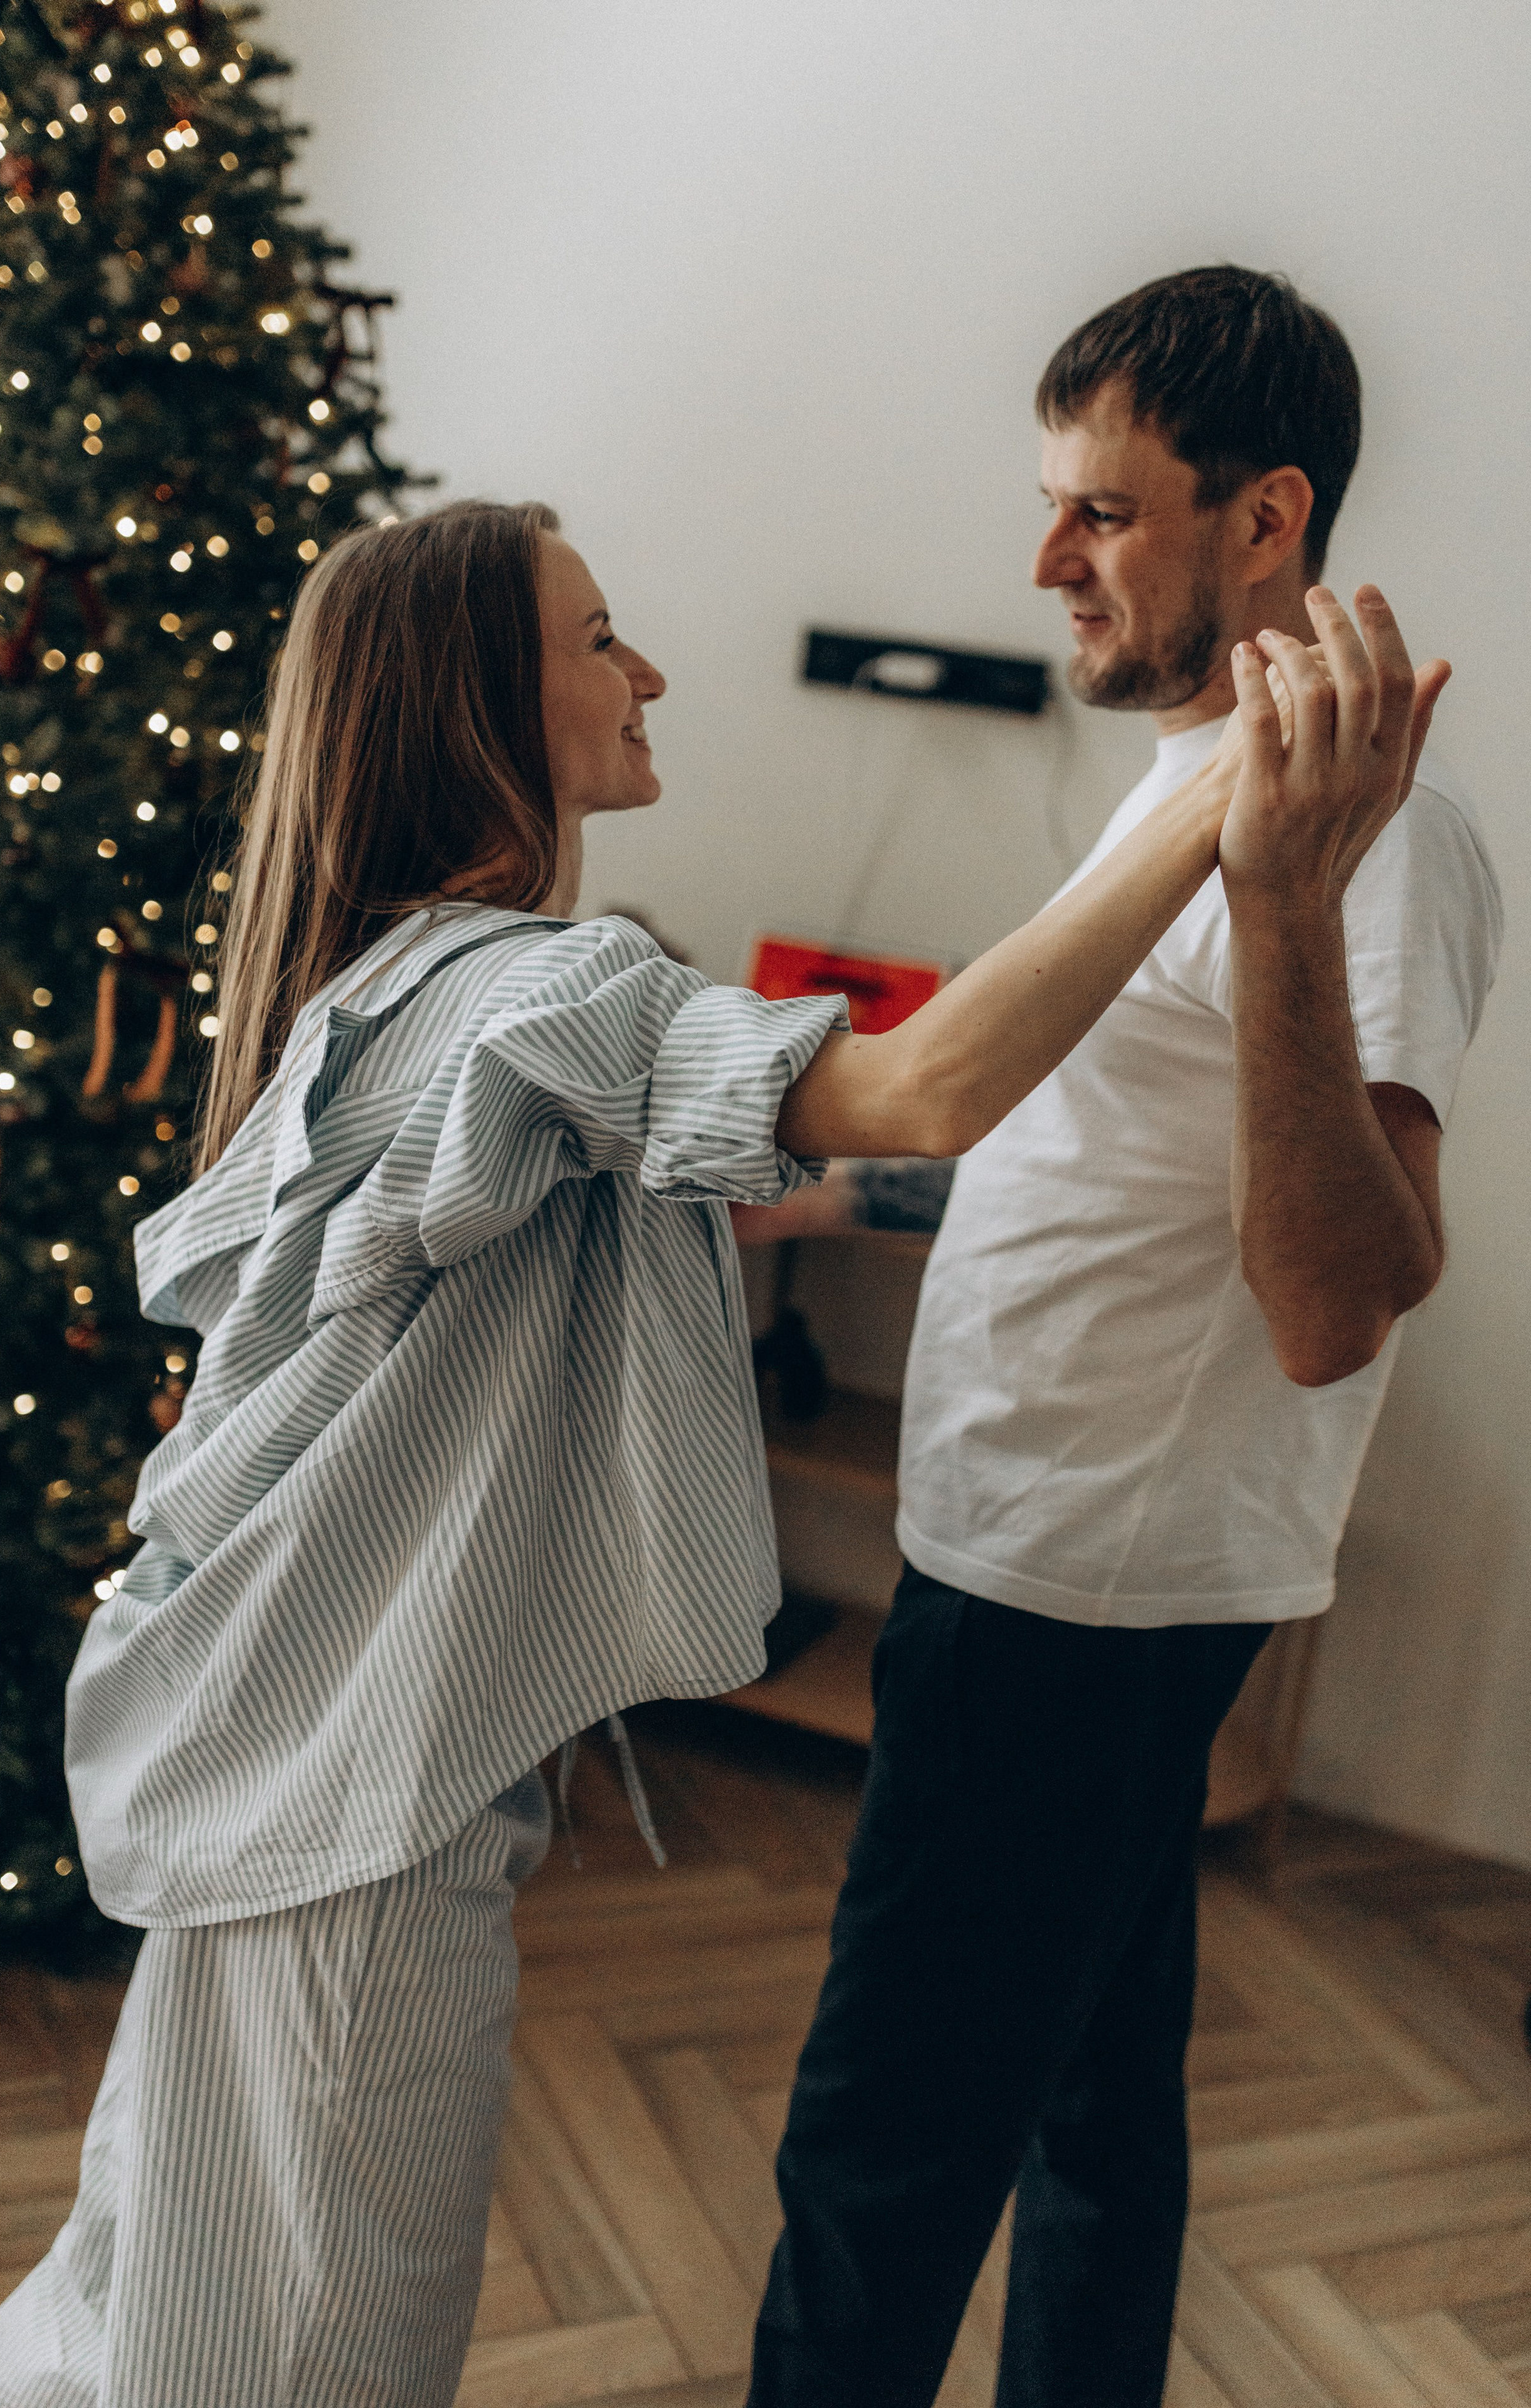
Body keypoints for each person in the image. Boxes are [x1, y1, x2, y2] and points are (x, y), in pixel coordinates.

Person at [0, 499, 1419, 2408]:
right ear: (486, 700)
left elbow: (833, 1158)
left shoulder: (401, 982)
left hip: (274, 1762)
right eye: (601, 636)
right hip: (352, 1821)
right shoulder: (541, 989)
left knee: (152, 2294)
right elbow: (934, 1080)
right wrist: (1236, 824)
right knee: (299, 2357)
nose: (646, 673)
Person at [740, 268, 1501, 2408]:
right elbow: (1107, 1145)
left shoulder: (1374, 851)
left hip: (1089, 1582)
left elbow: (1341, 1294)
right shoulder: (1185, 773)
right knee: (1092, 2119)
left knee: (874, 2161)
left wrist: (1277, 902)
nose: (1044, 562)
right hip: (1045, 1543)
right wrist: (857, 1188)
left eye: (1103, 514)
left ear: (1269, 520)